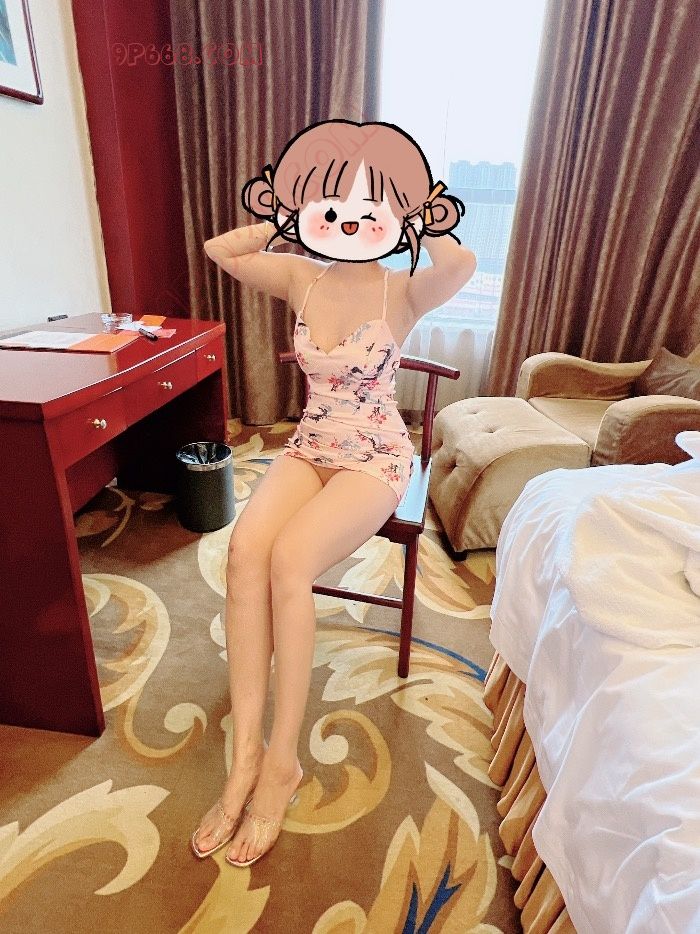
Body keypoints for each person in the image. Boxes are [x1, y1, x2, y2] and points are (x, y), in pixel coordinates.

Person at [191, 120, 477, 867]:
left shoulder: (403, 288)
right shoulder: (301, 274)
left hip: (375, 455)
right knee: (244, 553)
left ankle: (281, 764)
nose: (349, 220)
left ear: (393, 213)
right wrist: (288, 214)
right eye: (333, 205)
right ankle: (245, 759)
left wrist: (422, 210)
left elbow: (463, 261)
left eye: (367, 206)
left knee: (290, 561)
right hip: (311, 444)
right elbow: (222, 251)